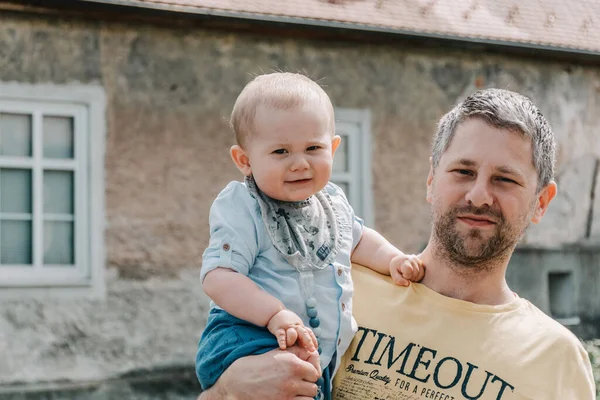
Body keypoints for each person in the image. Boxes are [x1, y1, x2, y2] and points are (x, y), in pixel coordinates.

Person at [198, 88, 597, 399]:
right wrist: (227, 392)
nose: (478, 195)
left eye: (504, 179)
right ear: (430, 180)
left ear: (541, 202)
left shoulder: (557, 360)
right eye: (462, 171)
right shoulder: (332, 288)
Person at [195, 72, 424, 398]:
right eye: (281, 152)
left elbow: (359, 240)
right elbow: (218, 277)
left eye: (313, 148)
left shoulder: (332, 202)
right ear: (244, 160)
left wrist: (394, 260)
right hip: (252, 336)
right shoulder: (244, 207)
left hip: (319, 349)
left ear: (332, 148)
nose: (299, 163)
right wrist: (274, 314)